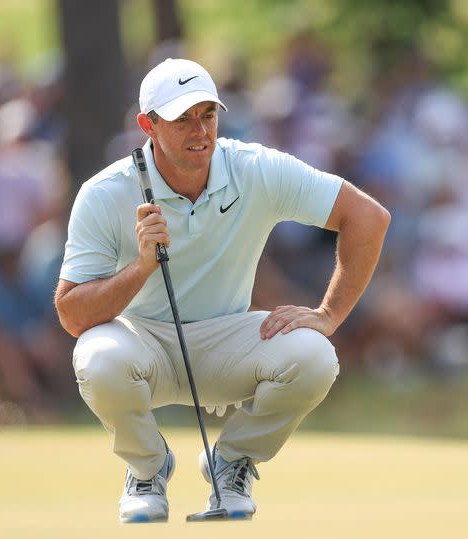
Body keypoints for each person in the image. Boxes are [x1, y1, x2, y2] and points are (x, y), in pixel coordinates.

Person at [53, 58, 390, 523]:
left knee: (315, 355)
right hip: (141, 342)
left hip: (227, 338)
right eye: (183, 118)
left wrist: (329, 313)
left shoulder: (255, 168)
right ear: (148, 125)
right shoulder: (105, 192)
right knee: (97, 356)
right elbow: (71, 314)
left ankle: (231, 463)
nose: (200, 131)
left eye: (208, 114)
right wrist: (142, 267)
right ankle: (147, 469)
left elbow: (368, 218)